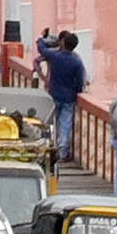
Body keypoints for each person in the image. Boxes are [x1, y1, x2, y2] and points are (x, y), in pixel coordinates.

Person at [36, 28, 87, 162]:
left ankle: (49, 146)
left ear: (63, 43)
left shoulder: (55, 57)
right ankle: (63, 152)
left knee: (52, 122)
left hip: (54, 95)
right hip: (69, 96)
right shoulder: (76, 61)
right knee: (66, 124)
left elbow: (42, 49)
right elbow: (80, 81)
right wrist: (76, 90)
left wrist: (41, 37)